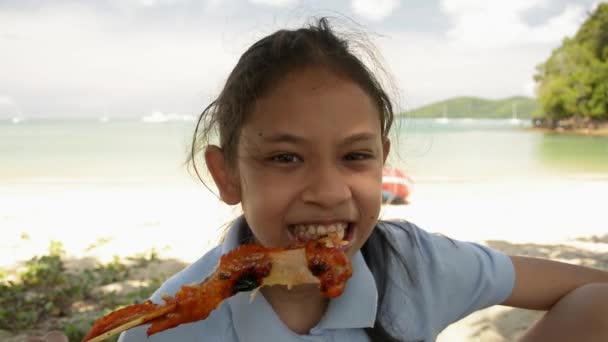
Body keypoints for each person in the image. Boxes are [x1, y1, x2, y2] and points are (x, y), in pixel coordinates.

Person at [119, 18, 608, 341]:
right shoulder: (170, 325)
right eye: (286, 157)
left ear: (383, 161)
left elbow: (594, 294)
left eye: (355, 155)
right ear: (227, 176)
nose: (330, 192)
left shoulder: (417, 264)